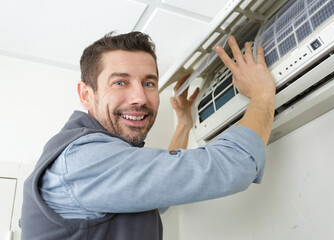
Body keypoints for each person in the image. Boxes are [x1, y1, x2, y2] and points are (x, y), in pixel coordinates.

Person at [21, 31, 275, 239]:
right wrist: (262, 94)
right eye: (120, 82)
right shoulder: (83, 159)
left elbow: (157, 198)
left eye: (149, 83)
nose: (140, 98)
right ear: (86, 94)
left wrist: (184, 124)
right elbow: (236, 165)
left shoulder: (96, 159)